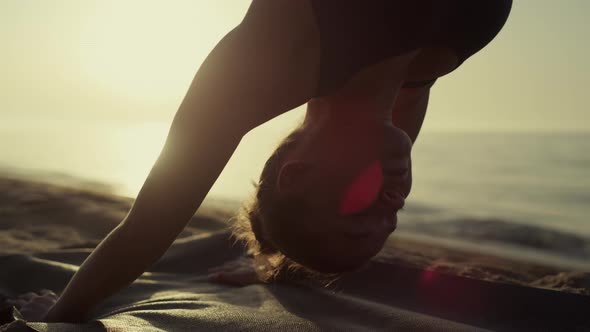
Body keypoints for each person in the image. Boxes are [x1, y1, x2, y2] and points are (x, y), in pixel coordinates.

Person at [17, 0, 512, 322]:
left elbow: (149, 224)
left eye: (362, 208)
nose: (395, 195)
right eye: (392, 213)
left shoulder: (265, 64)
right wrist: (279, 262)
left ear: (296, 174)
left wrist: (62, 313)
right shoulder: (430, 66)